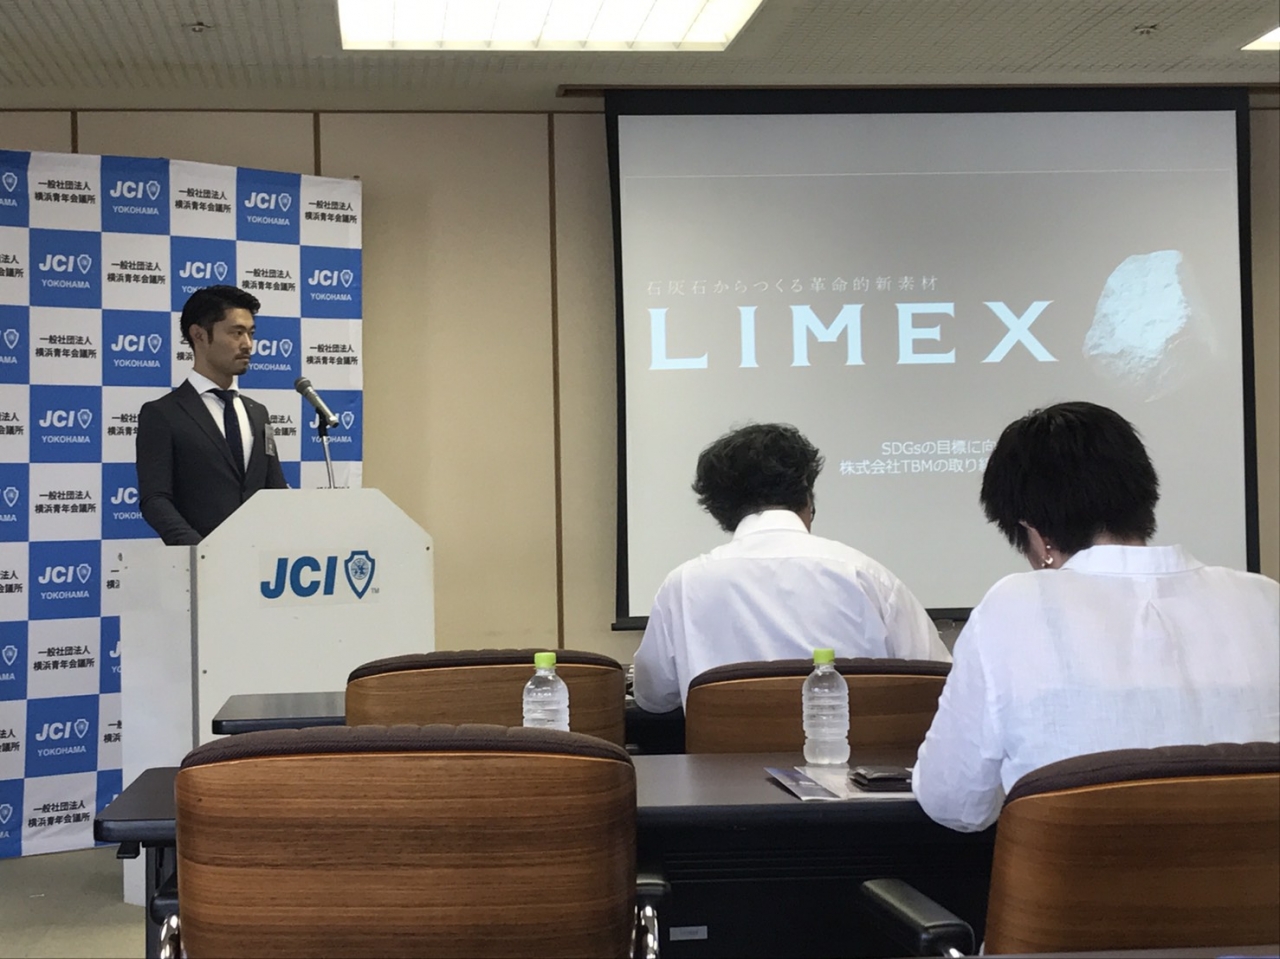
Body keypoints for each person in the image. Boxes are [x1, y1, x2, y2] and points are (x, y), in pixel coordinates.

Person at [913, 401, 1280, 832]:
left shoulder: (1013, 606)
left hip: (1080, 877)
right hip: (1254, 876)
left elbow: (953, 803)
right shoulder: (1265, 599)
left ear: (1034, 533)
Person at [631, 423, 949, 713]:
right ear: (808, 498)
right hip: (853, 757)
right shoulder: (866, 575)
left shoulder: (683, 584)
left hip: (721, 760)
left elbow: (653, 697)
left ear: (718, 510)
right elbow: (940, 682)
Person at [136, 285, 288, 545]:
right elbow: (155, 499)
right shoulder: (162, 414)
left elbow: (275, 491)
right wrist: (201, 551)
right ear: (199, 335)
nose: (247, 344)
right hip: (199, 560)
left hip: (259, 559)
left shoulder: (258, 413)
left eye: (251, 333)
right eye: (236, 333)